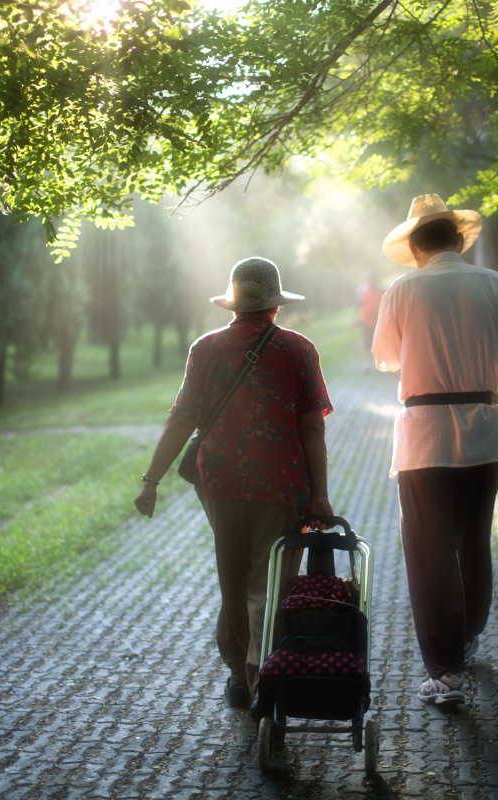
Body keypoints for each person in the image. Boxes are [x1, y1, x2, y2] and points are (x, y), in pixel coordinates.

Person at [133, 257, 334, 710]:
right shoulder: (299, 350)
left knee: (235, 580)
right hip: (282, 485)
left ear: (234, 304)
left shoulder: (205, 349)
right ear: (276, 306)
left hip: (220, 484)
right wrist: (319, 495)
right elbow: (312, 429)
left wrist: (151, 480)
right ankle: (262, 677)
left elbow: (181, 419)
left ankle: (241, 676)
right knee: (269, 583)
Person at [371, 194, 498, 708]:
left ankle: (444, 673)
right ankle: (466, 635)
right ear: (458, 240)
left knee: (428, 551)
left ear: (416, 247)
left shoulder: (402, 291)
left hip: (424, 433)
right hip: (489, 432)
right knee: (473, 541)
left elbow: (386, 359)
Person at [357, 273, 383, 355]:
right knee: (367, 343)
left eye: (372, 280)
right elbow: (358, 304)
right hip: (366, 321)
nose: (370, 282)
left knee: (379, 341)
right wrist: (355, 318)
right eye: (369, 281)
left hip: (379, 321)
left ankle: (380, 361)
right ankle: (367, 364)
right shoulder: (363, 291)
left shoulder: (381, 290)